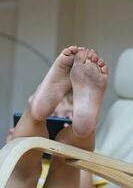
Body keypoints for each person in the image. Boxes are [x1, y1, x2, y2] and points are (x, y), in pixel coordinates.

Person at [5, 46, 108, 188]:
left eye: (67, 117)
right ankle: (78, 139)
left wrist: (15, 144)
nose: (58, 122)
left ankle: (33, 119)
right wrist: (9, 145)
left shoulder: (96, 154)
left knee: (21, 172)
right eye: (52, 116)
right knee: (67, 166)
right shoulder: (91, 151)